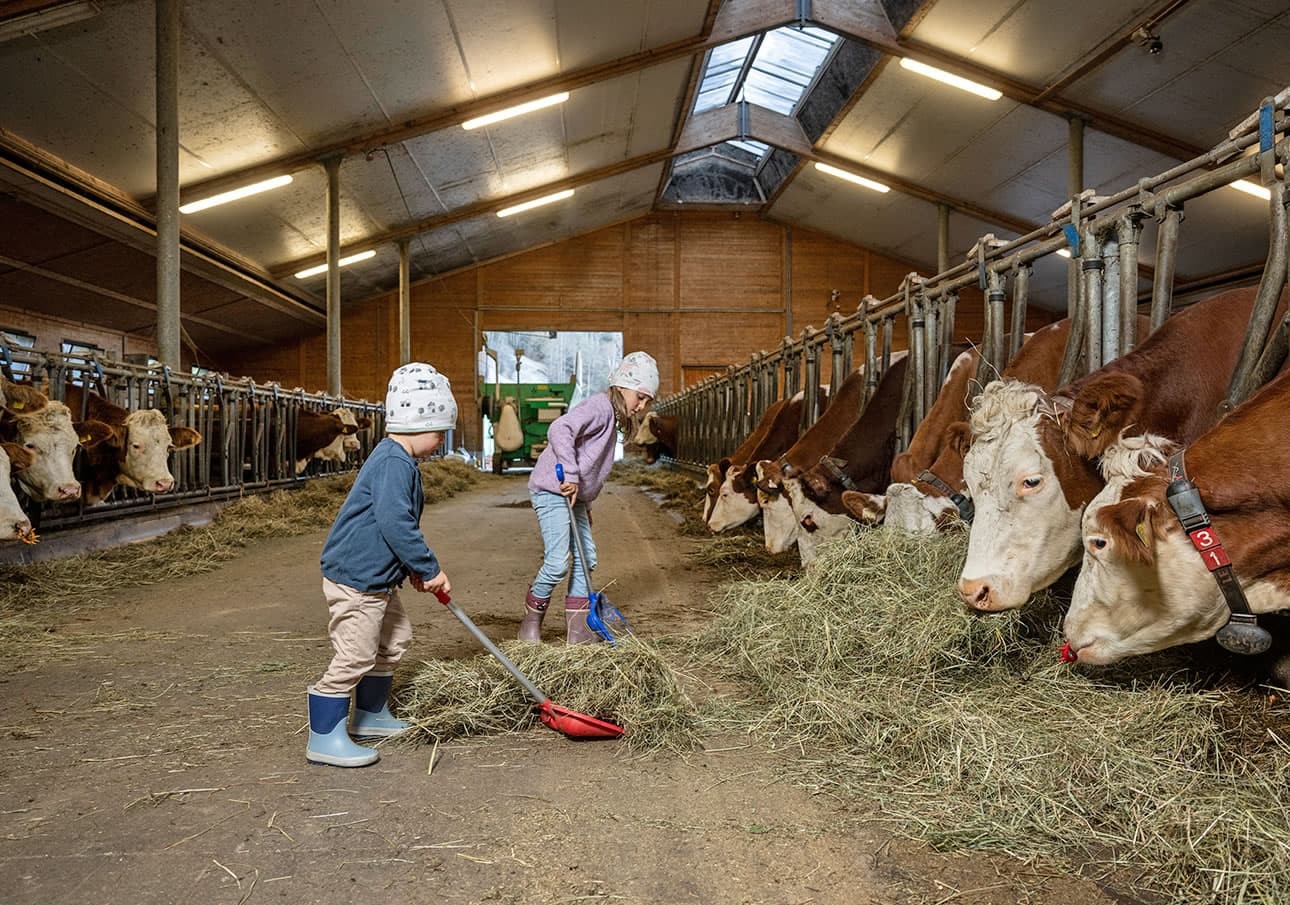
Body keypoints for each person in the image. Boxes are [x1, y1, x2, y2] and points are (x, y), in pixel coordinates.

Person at [305, 363, 455, 768]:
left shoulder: (400, 461)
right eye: (439, 431)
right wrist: (427, 566)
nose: (441, 440)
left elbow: (389, 525)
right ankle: (323, 738)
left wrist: (407, 569)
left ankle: (370, 715)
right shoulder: (393, 462)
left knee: (394, 640)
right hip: (356, 580)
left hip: (378, 579)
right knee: (355, 654)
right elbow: (396, 523)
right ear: (417, 424)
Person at [520, 351, 658, 644]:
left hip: (574, 496)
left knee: (587, 558)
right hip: (551, 488)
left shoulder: (613, 417)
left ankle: (578, 629)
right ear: (621, 386)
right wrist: (569, 474)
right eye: (640, 396)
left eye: (647, 401)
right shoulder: (599, 406)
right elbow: (560, 428)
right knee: (558, 562)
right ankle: (531, 623)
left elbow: (590, 465)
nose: (642, 406)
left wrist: (588, 501)